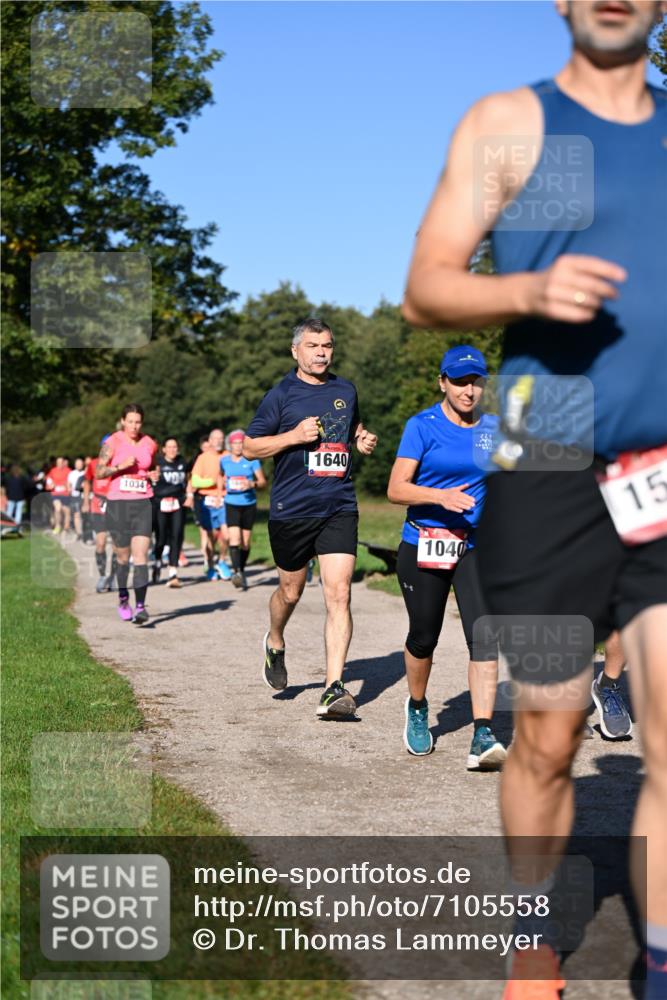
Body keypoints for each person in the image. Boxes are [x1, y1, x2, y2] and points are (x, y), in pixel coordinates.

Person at [402, 3, 666, 997]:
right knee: (549, 735)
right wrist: (526, 291)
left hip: (664, 470)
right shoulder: (513, 125)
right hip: (548, 466)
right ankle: (532, 938)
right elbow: (426, 283)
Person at [244, 317, 378, 717]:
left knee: (339, 594)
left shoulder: (345, 389)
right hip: (292, 509)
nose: (322, 353)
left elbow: (351, 426)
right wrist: (292, 437)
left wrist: (361, 438)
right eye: (314, 346)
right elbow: (250, 447)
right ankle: (275, 639)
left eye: (328, 346)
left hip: (338, 504)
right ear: (296, 351)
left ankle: (333, 687)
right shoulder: (281, 395)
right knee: (291, 591)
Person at [387, 345, 507, 769]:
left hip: (476, 547)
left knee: (485, 637)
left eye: (475, 382)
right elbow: (396, 488)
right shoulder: (422, 426)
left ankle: (482, 732)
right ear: (442, 382)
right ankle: (418, 707)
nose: (468, 391)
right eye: (459, 382)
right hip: (425, 542)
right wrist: (440, 496)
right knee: (424, 637)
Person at [95, 405, 159, 624]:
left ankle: (141, 607)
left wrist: (154, 474)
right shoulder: (112, 442)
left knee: (140, 556)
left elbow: (154, 466)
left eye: (138, 422)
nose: (134, 426)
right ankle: (124, 599)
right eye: (130, 421)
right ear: (123, 421)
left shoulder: (149, 442)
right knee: (123, 558)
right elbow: (99, 472)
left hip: (142, 502)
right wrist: (120, 466)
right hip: (118, 504)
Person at [221, 429, 267, 590]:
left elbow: (262, 482)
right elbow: (220, 478)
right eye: (235, 443)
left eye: (241, 443)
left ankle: (242, 569)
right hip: (231, 503)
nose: (238, 446)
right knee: (234, 539)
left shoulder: (252, 461)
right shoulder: (224, 461)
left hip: (248, 504)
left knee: (245, 542)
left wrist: (251, 484)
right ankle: (237, 572)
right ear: (230, 445)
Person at [187, 429, 229, 580]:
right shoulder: (203, 458)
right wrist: (212, 482)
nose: (218, 441)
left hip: (224, 499)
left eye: (221, 438)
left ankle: (222, 561)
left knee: (226, 535)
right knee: (210, 536)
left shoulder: (228, 456)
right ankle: (210, 564)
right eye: (215, 439)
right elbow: (195, 481)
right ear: (210, 441)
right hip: (206, 500)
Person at [152, 436, 187, 588]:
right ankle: (158, 560)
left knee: (177, 535)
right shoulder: (158, 463)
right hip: (160, 503)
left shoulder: (182, 462)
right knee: (160, 538)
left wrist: (189, 495)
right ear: (164, 449)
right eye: (169, 447)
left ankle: (173, 572)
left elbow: (189, 479)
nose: (172, 450)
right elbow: (151, 481)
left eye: (175, 447)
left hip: (177, 503)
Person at [83, 439, 116, 592]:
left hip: (116, 505)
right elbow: (87, 482)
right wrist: (85, 501)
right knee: (100, 543)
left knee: (118, 546)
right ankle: (103, 575)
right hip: (98, 505)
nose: (108, 449)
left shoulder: (118, 464)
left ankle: (114, 577)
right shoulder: (93, 463)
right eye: (105, 446)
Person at [45, 456, 71, 534]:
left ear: (64, 463)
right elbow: (48, 483)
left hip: (65, 494)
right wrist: (50, 486)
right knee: (58, 508)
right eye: (58, 462)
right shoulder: (52, 471)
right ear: (56, 463)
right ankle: (58, 526)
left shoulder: (68, 471)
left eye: (61, 462)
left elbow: (71, 483)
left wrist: (67, 486)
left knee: (66, 511)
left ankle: (66, 528)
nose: (59, 464)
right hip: (55, 494)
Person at [67, 457, 85, 541]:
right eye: (78, 464)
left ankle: (86, 532)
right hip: (75, 496)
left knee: (84, 515)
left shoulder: (85, 473)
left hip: (84, 496)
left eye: (81, 464)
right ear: (75, 465)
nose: (79, 465)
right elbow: (68, 483)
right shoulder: (72, 473)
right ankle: (79, 533)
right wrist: (69, 489)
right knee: (76, 514)